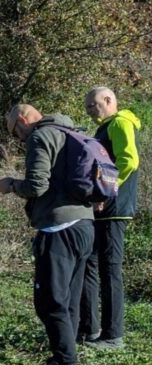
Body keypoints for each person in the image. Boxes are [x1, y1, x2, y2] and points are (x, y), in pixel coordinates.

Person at [0, 105, 95, 365]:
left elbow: (36, 185)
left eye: (16, 133)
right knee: (70, 301)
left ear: (23, 121)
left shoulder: (41, 137)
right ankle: (61, 364)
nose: (19, 139)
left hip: (58, 228)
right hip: (85, 225)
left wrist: (11, 185)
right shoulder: (72, 132)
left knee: (49, 302)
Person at [79, 87, 142, 350]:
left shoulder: (120, 123)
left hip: (114, 209)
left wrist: (108, 190)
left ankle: (113, 336)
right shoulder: (105, 127)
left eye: (94, 105)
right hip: (100, 210)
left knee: (110, 270)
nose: (91, 110)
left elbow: (129, 161)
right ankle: (90, 330)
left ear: (109, 100)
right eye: (87, 107)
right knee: (90, 266)